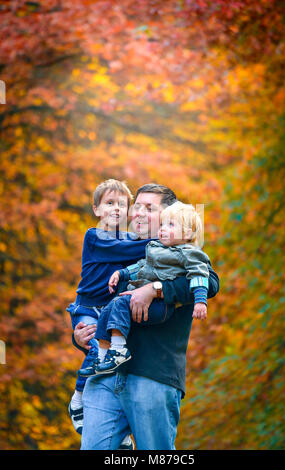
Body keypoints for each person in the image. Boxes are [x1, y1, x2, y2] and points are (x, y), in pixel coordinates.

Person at [74, 184, 219, 450]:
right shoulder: (121, 248)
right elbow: (88, 295)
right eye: (137, 206)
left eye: (149, 208)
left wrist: (156, 289)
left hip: (152, 376)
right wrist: (81, 332)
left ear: (168, 217)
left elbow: (210, 283)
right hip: (105, 377)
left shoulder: (181, 251)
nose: (138, 213)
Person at [78, 201, 210, 377]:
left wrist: (200, 301)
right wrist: (122, 273)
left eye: (170, 225)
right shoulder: (156, 248)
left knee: (119, 304)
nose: (162, 229)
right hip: (134, 303)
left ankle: (118, 350)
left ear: (186, 233)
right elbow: (141, 265)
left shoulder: (189, 252)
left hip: (159, 306)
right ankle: (101, 358)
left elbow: (201, 275)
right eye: (162, 224)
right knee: (108, 309)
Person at [66, 179, 150, 445]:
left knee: (110, 357)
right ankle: (78, 398)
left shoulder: (129, 238)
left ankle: (118, 433)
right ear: (96, 209)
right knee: (95, 350)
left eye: (122, 205)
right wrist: (160, 242)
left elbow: (138, 255)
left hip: (109, 310)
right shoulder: (94, 237)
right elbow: (126, 250)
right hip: (88, 307)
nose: (116, 209)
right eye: (109, 203)